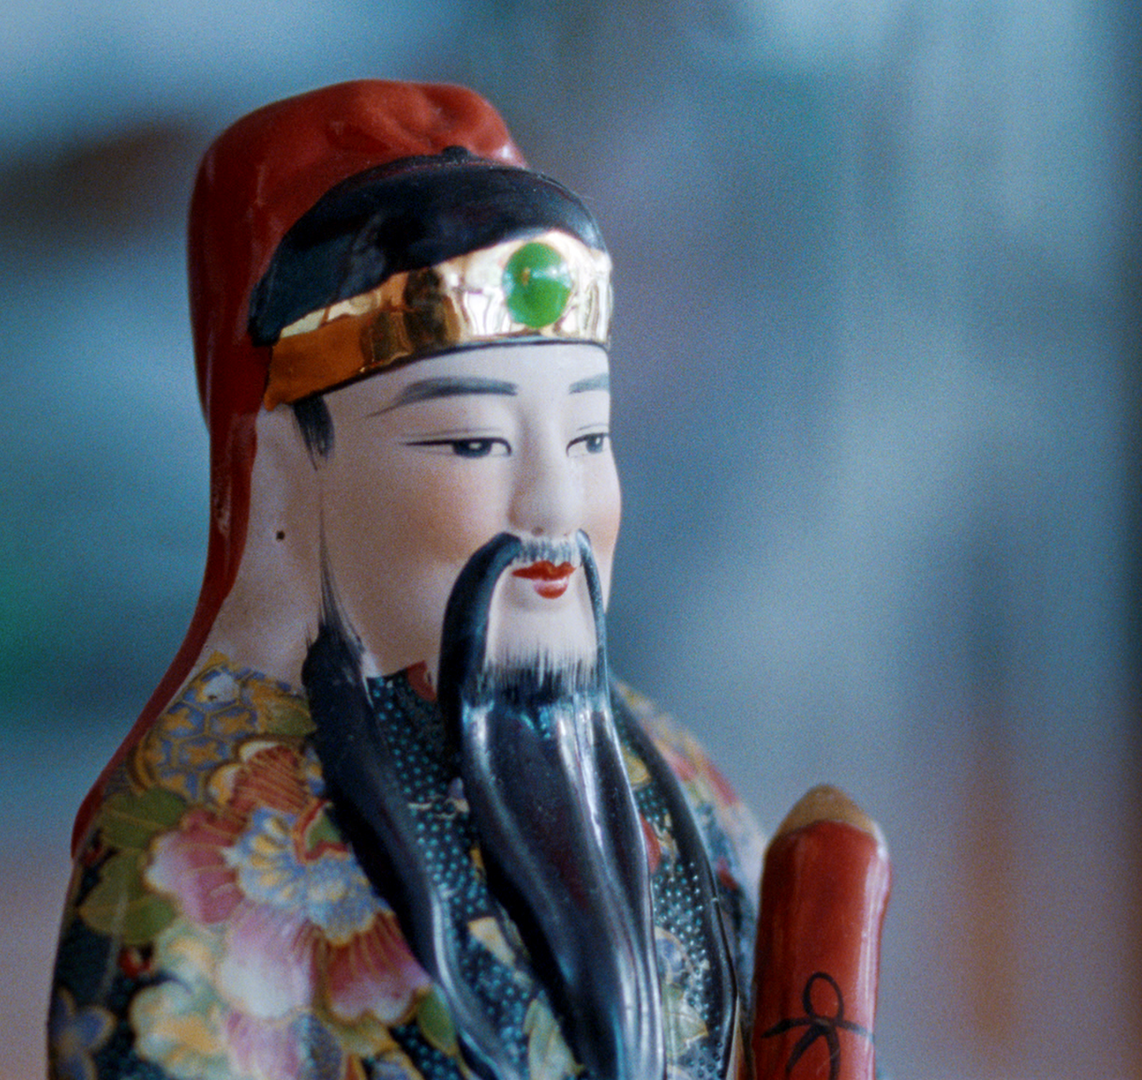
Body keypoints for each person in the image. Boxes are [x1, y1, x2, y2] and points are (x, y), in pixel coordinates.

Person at [48, 80, 762, 1080]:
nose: (554, 506)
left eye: (590, 437)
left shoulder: (681, 787)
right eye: (472, 441)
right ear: (293, 472)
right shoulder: (209, 845)